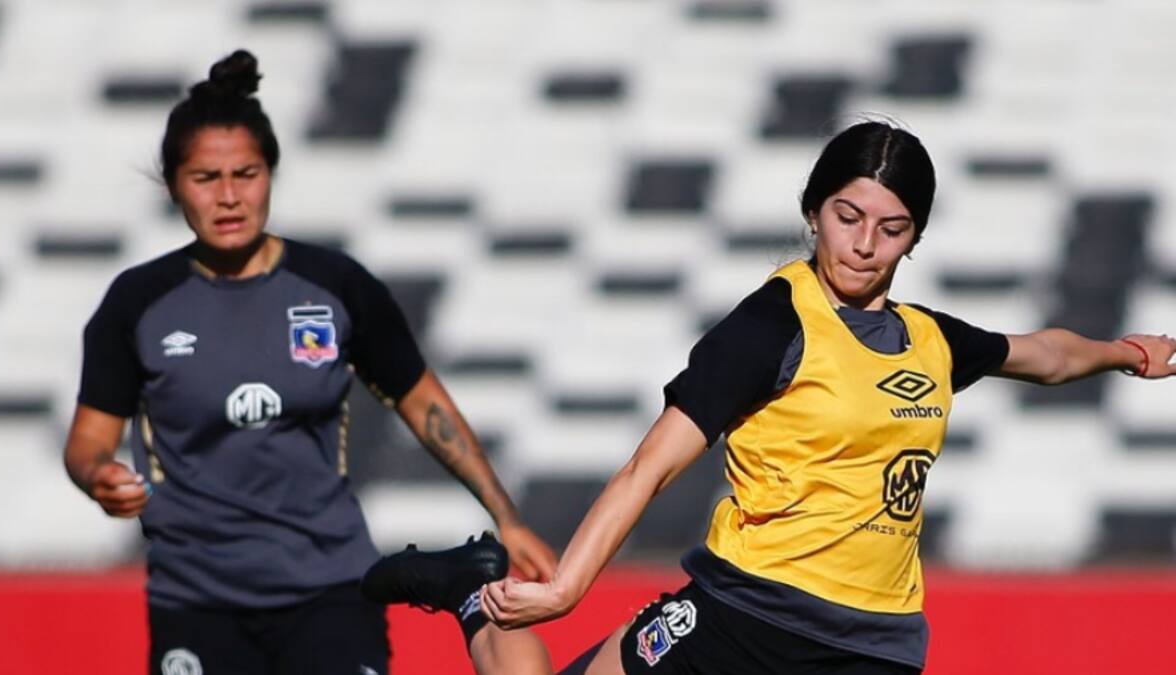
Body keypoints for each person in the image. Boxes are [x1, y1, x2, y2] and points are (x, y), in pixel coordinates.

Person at [361, 120, 1176, 674]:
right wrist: (569, 585)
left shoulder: (930, 339)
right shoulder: (771, 324)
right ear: (813, 212)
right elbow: (649, 466)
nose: (862, 242)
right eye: (846, 215)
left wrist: (1126, 353)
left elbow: (1042, 354)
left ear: (915, 237)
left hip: (880, 644)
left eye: (890, 228)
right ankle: (478, 590)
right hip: (743, 620)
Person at [62, 49, 556, 675]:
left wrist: (504, 517)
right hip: (197, 601)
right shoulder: (138, 304)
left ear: (270, 172)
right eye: (206, 179)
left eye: (246, 173)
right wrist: (96, 477)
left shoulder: (336, 288)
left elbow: (425, 404)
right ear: (172, 183)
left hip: (330, 591)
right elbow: (87, 442)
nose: (230, 197)